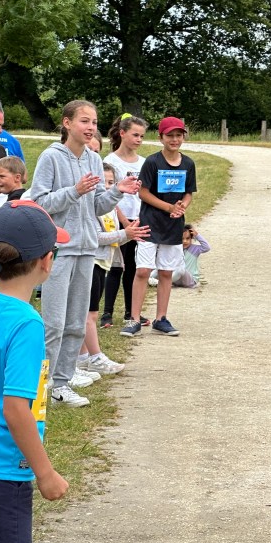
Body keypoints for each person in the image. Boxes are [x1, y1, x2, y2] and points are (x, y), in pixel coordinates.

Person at [29, 100, 139, 406]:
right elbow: (39, 202)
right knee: (54, 323)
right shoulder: (51, 157)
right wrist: (74, 191)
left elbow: (98, 206)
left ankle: (62, 386)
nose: (91, 127)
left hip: (87, 249)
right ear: (67, 123)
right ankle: (40, 388)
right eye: (84, 121)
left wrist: (118, 191)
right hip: (59, 250)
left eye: (94, 122)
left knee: (76, 322)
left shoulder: (93, 158)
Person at [0, 200, 70, 543]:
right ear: (46, 261)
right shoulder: (25, 322)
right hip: (1, 468)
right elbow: (15, 409)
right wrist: (46, 473)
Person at [120, 117, 196, 339]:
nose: (174, 139)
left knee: (166, 272)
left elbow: (189, 193)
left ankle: (161, 318)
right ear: (160, 137)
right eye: (170, 135)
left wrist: (181, 207)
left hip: (173, 226)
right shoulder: (153, 162)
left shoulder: (188, 164)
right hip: (150, 223)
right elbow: (143, 193)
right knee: (143, 270)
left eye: (178, 135)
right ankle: (134, 319)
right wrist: (168, 207)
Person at [79, 165, 147, 377]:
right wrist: (124, 234)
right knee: (89, 314)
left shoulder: (110, 209)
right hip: (91, 261)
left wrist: (129, 234)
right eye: (103, 183)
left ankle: (82, 357)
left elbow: (114, 238)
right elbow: (95, 237)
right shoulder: (92, 207)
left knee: (88, 313)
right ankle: (95, 357)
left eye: (111, 183)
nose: (107, 187)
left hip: (102, 263)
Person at [102, 114, 149, 328]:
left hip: (138, 219)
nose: (139, 140)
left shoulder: (144, 162)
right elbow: (110, 194)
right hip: (118, 219)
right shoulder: (110, 161)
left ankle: (131, 312)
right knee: (116, 266)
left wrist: (140, 218)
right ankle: (107, 314)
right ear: (122, 133)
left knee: (133, 266)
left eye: (142, 136)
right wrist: (124, 221)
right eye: (135, 135)